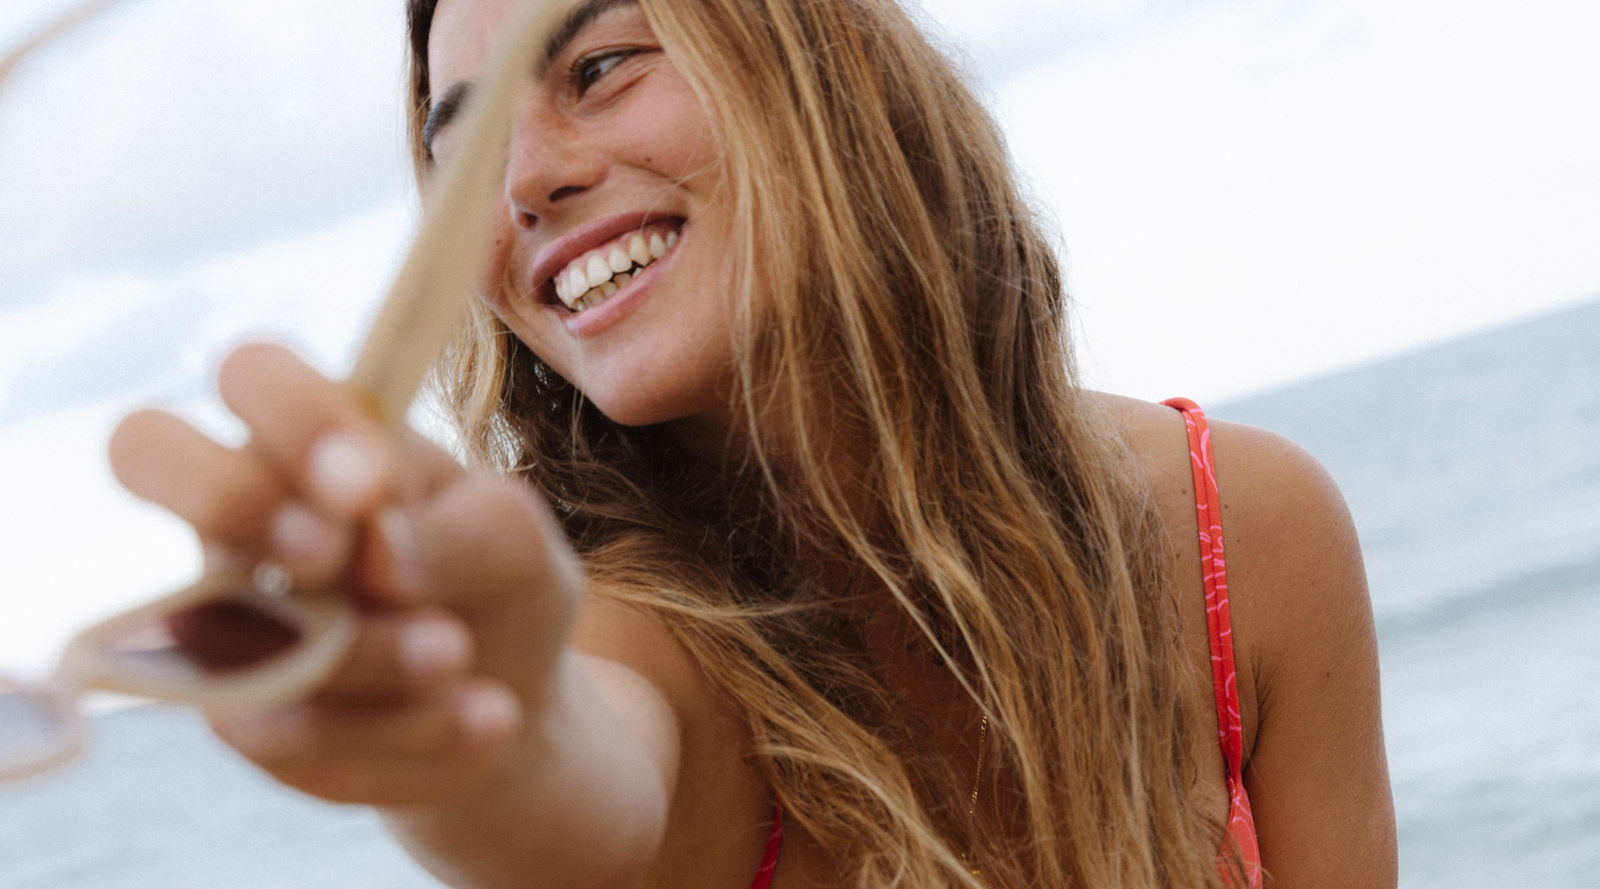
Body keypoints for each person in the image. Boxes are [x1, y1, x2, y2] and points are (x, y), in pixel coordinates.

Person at [107, 0, 1397, 886]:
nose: (523, 182)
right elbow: (569, 780)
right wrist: (474, 725)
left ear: (816, 55)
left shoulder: (1250, 526)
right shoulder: (630, 641)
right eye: (464, 151)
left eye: (598, 69)